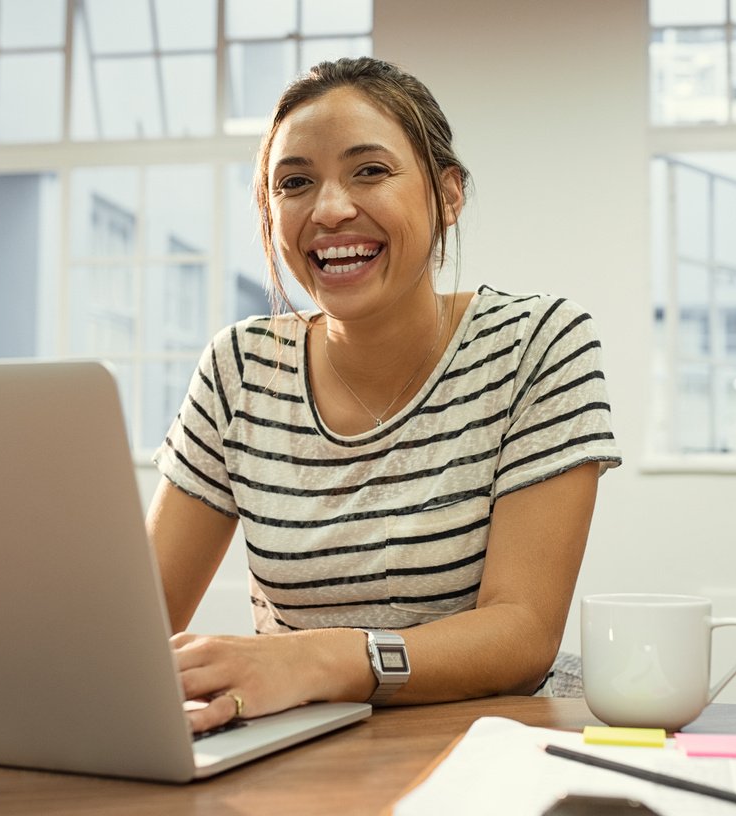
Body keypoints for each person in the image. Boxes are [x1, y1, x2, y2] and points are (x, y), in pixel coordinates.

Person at [147, 56, 621, 735]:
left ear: (447, 194)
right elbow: (134, 628)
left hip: (491, 741)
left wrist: (318, 661)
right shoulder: (239, 368)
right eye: (294, 183)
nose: (329, 209)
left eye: (369, 171)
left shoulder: (537, 342)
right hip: (308, 746)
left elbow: (522, 636)